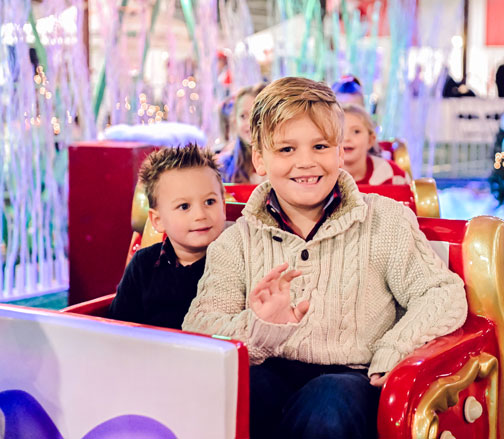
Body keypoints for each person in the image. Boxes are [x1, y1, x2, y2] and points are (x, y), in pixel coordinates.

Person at [182, 77, 467, 439]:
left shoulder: (384, 219)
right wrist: (258, 324)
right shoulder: (236, 240)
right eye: (287, 150)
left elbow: (440, 292)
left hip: (351, 376)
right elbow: (199, 327)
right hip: (267, 366)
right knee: (237, 395)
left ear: (338, 151)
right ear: (260, 159)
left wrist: (395, 347)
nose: (306, 162)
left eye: (319, 146)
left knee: (328, 404)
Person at [108, 145, 227, 330]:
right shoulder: (143, 264)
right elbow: (118, 329)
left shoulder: (234, 262)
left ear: (223, 205)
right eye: (184, 206)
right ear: (158, 220)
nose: (200, 215)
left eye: (210, 202)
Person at [341, 103, 410, 185]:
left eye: (356, 131)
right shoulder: (324, 177)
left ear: (370, 140)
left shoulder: (394, 176)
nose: (346, 138)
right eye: (340, 132)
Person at [219, 83, 267, 183]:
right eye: (243, 116)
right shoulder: (223, 168)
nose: (250, 123)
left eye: (258, 115)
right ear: (235, 121)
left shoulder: (285, 163)